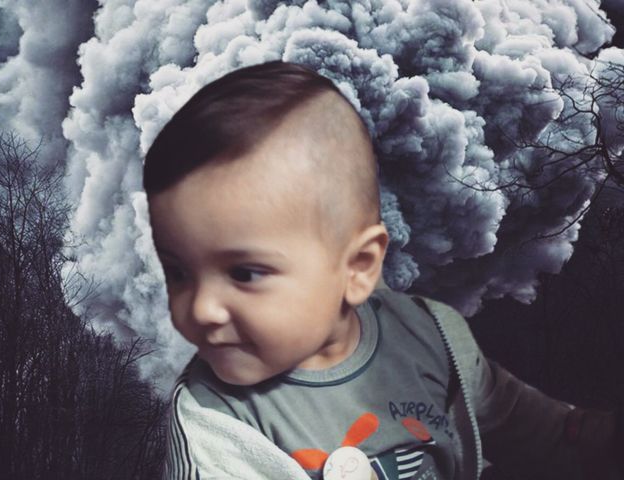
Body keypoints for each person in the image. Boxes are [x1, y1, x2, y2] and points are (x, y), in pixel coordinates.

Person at [143, 60, 620, 480]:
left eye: (244, 273)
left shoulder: (429, 335)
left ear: (357, 268)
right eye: (178, 272)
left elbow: (520, 420)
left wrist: (590, 438)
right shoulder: (215, 428)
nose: (201, 309)